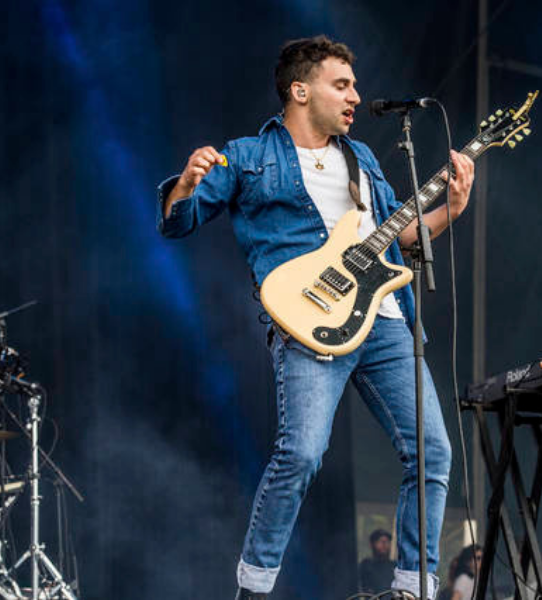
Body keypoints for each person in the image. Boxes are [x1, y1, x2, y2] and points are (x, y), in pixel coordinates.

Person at [157, 36, 475, 599]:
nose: (356, 95)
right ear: (301, 91)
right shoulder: (248, 157)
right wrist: (185, 183)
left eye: (355, 84)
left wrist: (449, 207)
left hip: (383, 319)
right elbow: (178, 223)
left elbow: (395, 241)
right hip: (308, 323)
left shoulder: (364, 159)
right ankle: (253, 588)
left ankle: (412, 588)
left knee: (433, 451)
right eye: (342, 84)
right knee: (301, 453)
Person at [359, 529, 396, 594]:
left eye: (387, 541)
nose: (384, 544)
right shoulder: (365, 565)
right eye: (380, 541)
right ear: (372, 544)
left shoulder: (395, 566)